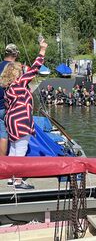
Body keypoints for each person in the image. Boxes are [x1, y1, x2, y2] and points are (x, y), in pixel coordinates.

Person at [0, 39, 48, 189]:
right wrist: (42, 50)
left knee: (14, 149)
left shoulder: (8, 88)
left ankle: (11, 177)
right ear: (16, 74)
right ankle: (19, 181)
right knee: (20, 150)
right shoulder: (19, 84)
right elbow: (35, 69)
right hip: (21, 121)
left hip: (11, 121)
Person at [0, 44, 19, 156]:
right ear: (15, 54)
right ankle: (5, 163)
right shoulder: (15, 68)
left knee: (2, 133)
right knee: (9, 135)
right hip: (8, 107)